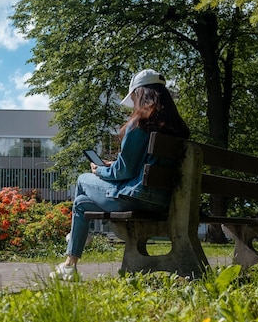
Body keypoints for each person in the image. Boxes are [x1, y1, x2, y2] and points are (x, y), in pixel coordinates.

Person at [50, 69, 190, 281]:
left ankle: (73, 256)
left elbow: (123, 171)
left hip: (136, 198)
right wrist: (114, 164)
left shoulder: (140, 123)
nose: (133, 103)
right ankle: (69, 261)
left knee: (82, 179)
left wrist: (101, 170)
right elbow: (142, 165)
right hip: (164, 200)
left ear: (140, 94)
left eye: (133, 97)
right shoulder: (179, 128)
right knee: (80, 203)